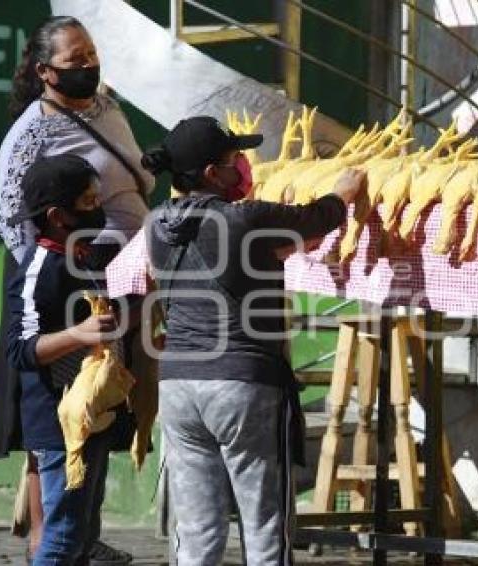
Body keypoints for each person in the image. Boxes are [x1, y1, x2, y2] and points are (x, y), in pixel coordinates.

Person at [142, 116, 365, 565]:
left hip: (178, 388)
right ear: (211, 174)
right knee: (264, 525)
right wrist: (345, 190)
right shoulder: (247, 217)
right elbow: (317, 220)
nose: (243, 166)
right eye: (233, 160)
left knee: (197, 530)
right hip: (243, 386)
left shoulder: (154, 224)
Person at [0, 15, 152, 564]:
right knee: (57, 424)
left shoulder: (106, 109)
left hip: (120, 284)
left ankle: (75, 539)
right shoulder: (32, 131)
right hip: (67, 291)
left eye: (90, 55)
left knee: (103, 415)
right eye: (74, 59)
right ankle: (50, 545)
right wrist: (62, 269)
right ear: (44, 70)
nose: (87, 65)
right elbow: (13, 219)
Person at [6, 154, 119, 565]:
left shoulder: (84, 257)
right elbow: (20, 350)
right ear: (57, 216)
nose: (98, 209)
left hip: (92, 414)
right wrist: (78, 335)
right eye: (88, 202)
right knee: (63, 536)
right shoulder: (40, 268)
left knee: (83, 532)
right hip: (57, 422)